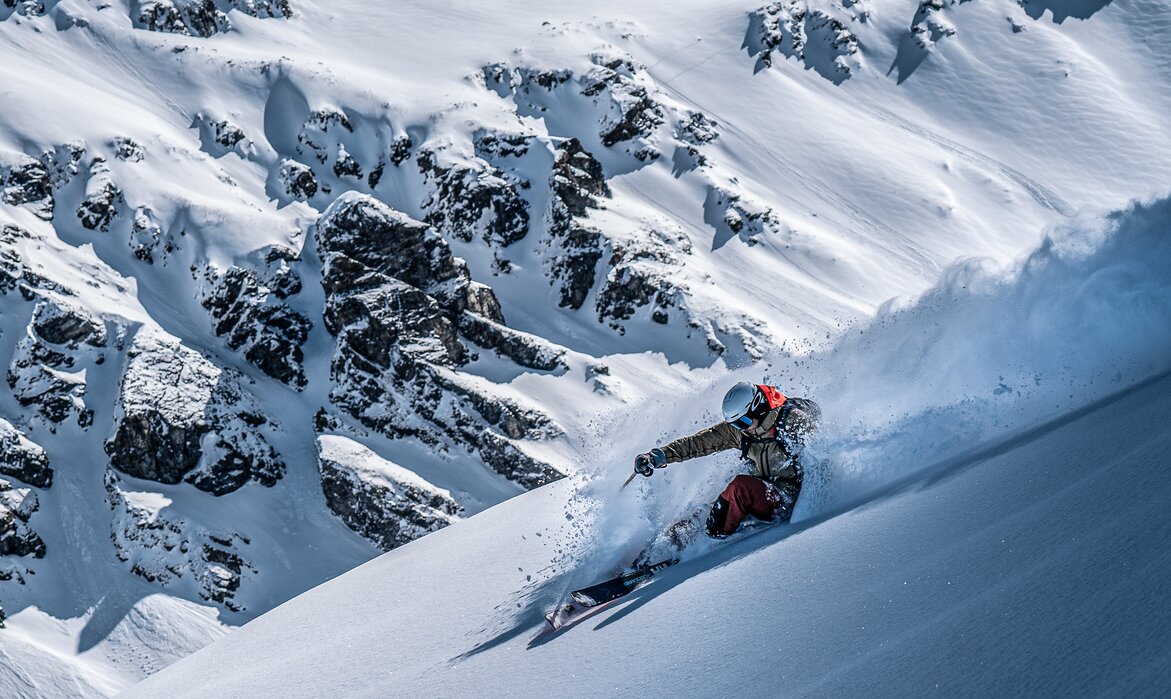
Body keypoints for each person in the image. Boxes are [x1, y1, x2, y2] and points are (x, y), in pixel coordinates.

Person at [633, 382, 820, 543]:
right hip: (760, 493)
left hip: (786, 498)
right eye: (736, 424)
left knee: (740, 487)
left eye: (744, 422)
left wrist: (809, 508)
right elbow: (699, 443)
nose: (742, 429)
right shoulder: (744, 430)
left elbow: (822, 456)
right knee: (696, 519)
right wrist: (657, 456)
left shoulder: (792, 421)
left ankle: (709, 541)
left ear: (758, 407)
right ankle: (648, 561)